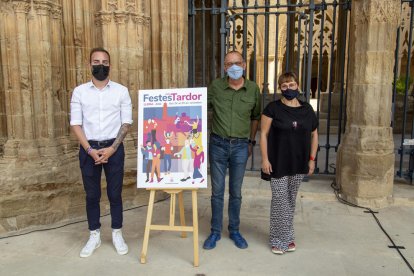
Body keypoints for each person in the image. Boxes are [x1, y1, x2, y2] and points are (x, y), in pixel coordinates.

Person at [70, 47, 133, 258]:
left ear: (110, 65)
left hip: (114, 147)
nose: (101, 65)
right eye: (96, 61)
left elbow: (126, 123)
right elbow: (76, 124)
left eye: (105, 62)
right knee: (92, 195)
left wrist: (112, 148)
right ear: (90, 65)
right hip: (88, 148)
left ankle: (117, 232)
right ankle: (94, 234)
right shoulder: (79, 92)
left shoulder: (121, 91)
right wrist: (89, 149)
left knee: (115, 194)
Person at [204, 51, 261, 250]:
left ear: (244, 65)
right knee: (217, 192)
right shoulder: (216, 87)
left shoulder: (253, 89)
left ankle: (235, 230)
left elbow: (256, 117)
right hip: (218, 144)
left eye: (237, 63)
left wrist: (251, 142)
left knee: (235, 192)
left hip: (240, 147)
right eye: (229, 63)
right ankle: (215, 231)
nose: (234, 66)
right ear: (224, 67)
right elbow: (199, 106)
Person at [260, 71, 318, 255]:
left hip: (299, 162)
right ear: (280, 88)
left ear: (298, 85)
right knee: (279, 201)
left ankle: (288, 236)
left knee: (290, 200)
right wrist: (264, 158)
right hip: (277, 161)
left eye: (291, 84)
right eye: (284, 86)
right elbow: (263, 134)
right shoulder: (272, 108)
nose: (288, 88)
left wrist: (312, 159)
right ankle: (278, 240)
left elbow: (314, 134)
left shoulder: (307, 110)